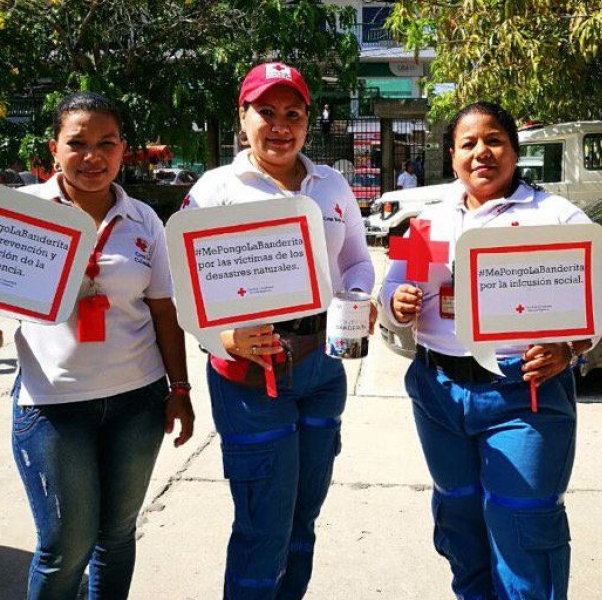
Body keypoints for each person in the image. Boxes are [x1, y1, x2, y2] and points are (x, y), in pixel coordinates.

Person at [0, 92, 196, 600]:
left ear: (123, 150)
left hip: (138, 404)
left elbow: (163, 310)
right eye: (78, 143)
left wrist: (180, 389)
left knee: (115, 539)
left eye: (106, 143)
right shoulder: (24, 214)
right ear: (54, 149)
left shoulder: (144, 221)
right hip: (52, 407)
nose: (93, 156)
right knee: (64, 549)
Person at [380, 101, 602, 600]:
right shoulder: (424, 222)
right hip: (439, 393)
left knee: (523, 532)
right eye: (469, 143)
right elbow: (391, 288)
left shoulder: (554, 215)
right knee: (460, 521)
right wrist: (395, 303)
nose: (482, 152)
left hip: (522, 394)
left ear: (513, 150)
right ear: (452, 155)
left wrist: (570, 347)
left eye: (494, 141)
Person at [182, 62, 375, 600]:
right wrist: (222, 337)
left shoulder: (331, 184)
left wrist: (357, 299)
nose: (280, 125)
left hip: (321, 367)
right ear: (242, 118)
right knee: (263, 526)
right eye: (265, 112)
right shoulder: (214, 191)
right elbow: (183, 287)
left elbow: (358, 261)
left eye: (293, 113)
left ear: (308, 121)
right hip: (250, 377)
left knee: (302, 521)